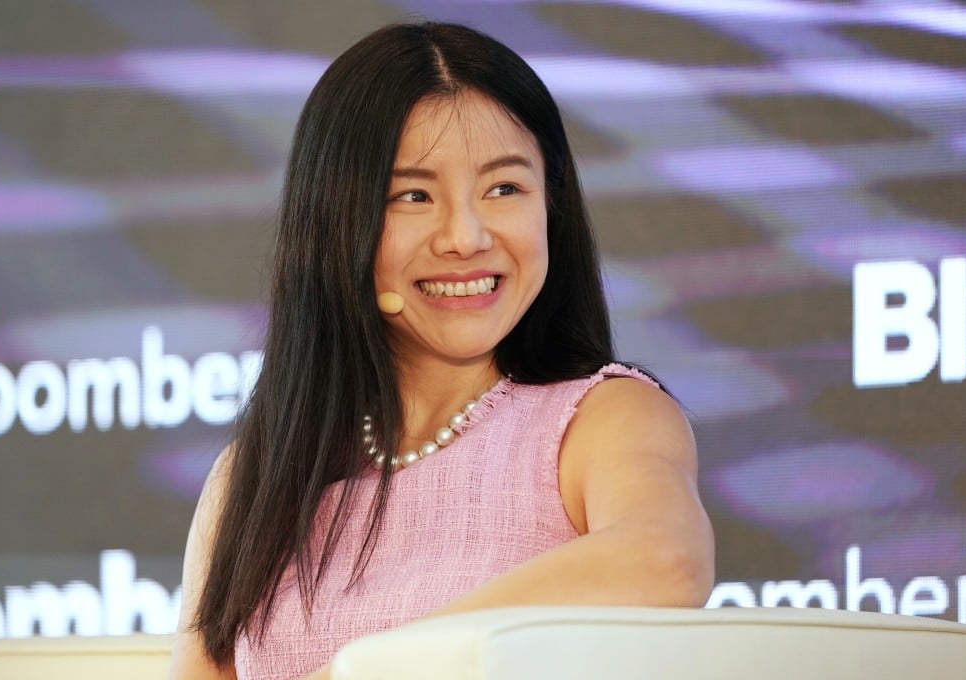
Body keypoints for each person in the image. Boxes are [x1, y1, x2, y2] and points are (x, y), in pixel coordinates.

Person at [169, 20, 714, 680]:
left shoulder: (603, 419)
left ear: (553, 204)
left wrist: (367, 669)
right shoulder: (254, 476)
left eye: (504, 188)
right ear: (339, 222)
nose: (466, 236)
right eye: (413, 196)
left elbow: (665, 560)